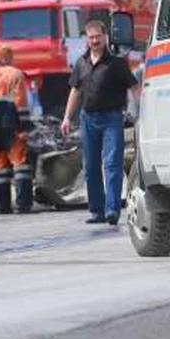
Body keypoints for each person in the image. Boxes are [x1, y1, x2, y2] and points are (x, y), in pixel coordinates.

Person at [60, 20, 139, 226]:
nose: (95, 41)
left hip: (112, 118)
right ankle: (97, 211)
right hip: (88, 119)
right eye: (91, 37)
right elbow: (75, 91)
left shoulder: (117, 63)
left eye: (98, 37)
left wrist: (142, 112)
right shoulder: (81, 63)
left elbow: (134, 87)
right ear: (87, 39)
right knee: (91, 166)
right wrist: (67, 117)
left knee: (112, 164)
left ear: (105, 37)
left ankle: (112, 210)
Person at [0, 46, 33, 214]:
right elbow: (21, 102)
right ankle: (23, 204)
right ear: (10, 58)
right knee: (20, 164)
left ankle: (2, 206)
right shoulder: (16, 74)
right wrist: (24, 127)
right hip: (12, 124)